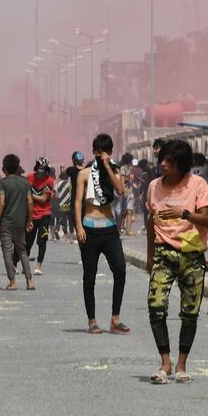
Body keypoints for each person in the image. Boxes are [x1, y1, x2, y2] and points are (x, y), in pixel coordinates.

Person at [145, 140, 208, 384]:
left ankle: (182, 363)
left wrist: (183, 214)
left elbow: (206, 220)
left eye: (169, 162)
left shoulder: (198, 185)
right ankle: (165, 362)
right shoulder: (154, 186)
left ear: (181, 165)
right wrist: (150, 256)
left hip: (192, 255)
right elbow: (150, 223)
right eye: (162, 159)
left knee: (190, 312)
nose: (163, 164)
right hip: (164, 253)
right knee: (155, 306)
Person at [75, 134, 129, 335]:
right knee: (89, 276)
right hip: (90, 227)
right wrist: (79, 227)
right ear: (93, 151)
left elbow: (121, 190)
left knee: (120, 270)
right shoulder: (84, 174)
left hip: (109, 228)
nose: (100, 155)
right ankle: (92, 320)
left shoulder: (114, 170)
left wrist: (107, 167)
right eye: (97, 151)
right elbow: (78, 202)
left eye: (104, 152)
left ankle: (115, 318)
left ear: (109, 152)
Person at [0, 154, 34, 290]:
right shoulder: (25, 183)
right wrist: (29, 220)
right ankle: (29, 281)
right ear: (17, 167)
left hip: (6, 223)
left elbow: (1, 202)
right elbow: (29, 201)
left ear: (4, 168)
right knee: (22, 251)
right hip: (20, 223)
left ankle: (12, 282)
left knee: (7, 251)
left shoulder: (3, 183)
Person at [26, 157, 54, 275]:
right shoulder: (29, 178)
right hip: (31, 214)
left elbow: (43, 199)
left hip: (44, 214)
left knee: (42, 241)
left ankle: (38, 266)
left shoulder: (49, 181)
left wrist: (29, 196)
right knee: (28, 240)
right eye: (39, 168)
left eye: (43, 169)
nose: (40, 171)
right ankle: (24, 264)